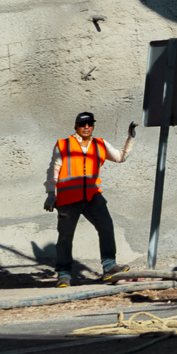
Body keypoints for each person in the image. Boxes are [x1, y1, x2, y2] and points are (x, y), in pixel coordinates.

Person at [44, 112, 136, 286]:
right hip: (68, 198)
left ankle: (109, 267)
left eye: (89, 124)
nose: (86, 127)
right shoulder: (63, 144)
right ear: (76, 127)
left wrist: (130, 139)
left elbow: (120, 157)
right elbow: (53, 169)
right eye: (82, 124)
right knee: (65, 236)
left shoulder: (100, 144)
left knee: (107, 228)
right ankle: (64, 274)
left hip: (92, 196)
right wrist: (50, 194)